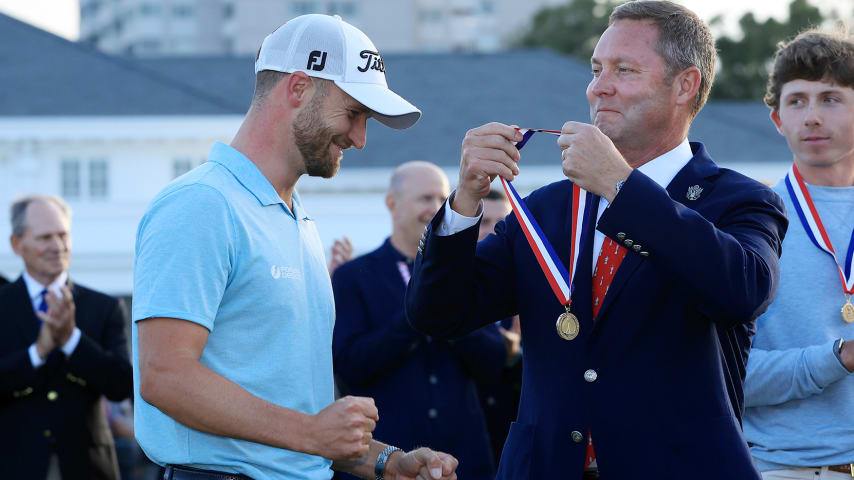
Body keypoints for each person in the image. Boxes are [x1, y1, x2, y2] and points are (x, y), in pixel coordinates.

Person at [405, 2, 788, 479]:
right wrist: (464, 200)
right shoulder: (546, 209)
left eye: (624, 70)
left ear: (685, 85)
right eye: (596, 69)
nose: (598, 87)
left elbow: (742, 291)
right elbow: (438, 315)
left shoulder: (739, 200)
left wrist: (622, 188)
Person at [132, 14, 458, 480]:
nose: (361, 139)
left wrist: (385, 462)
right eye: (354, 113)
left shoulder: (294, 217)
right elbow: (165, 376)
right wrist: (311, 433)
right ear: (299, 87)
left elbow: (294, 414)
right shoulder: (202, 204)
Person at [331, 162, 506, 480]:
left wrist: (443, 310)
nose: (435, 209)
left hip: (463, 460)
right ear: (391, 204)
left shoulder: (467, 274)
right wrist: (422, 314)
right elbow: (350, 367)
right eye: (425, 199)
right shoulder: (352, 278)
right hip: (383, 459)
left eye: (442, 199)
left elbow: (495, 361)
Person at [742, 29, 854, 480]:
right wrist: (837, 357)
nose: (811, 117)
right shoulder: (748, 223)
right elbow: (726, 372)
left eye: (830, 98)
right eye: (797, 101)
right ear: (777, 119)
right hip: (791, 469)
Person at [0, 195, 132, 480]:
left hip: (88, 469)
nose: (57, 246)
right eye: (45, 237)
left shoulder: (104, 307)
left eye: (63, 235)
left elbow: (122, 385)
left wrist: (72, 339)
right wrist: (39, 350)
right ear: (16, 244)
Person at [473, 189, 522, 465]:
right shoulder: (444, 295)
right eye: (482, 223)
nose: (492, 232)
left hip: (513, 444)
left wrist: (520, 352)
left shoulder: (529, 289)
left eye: (500, 224)